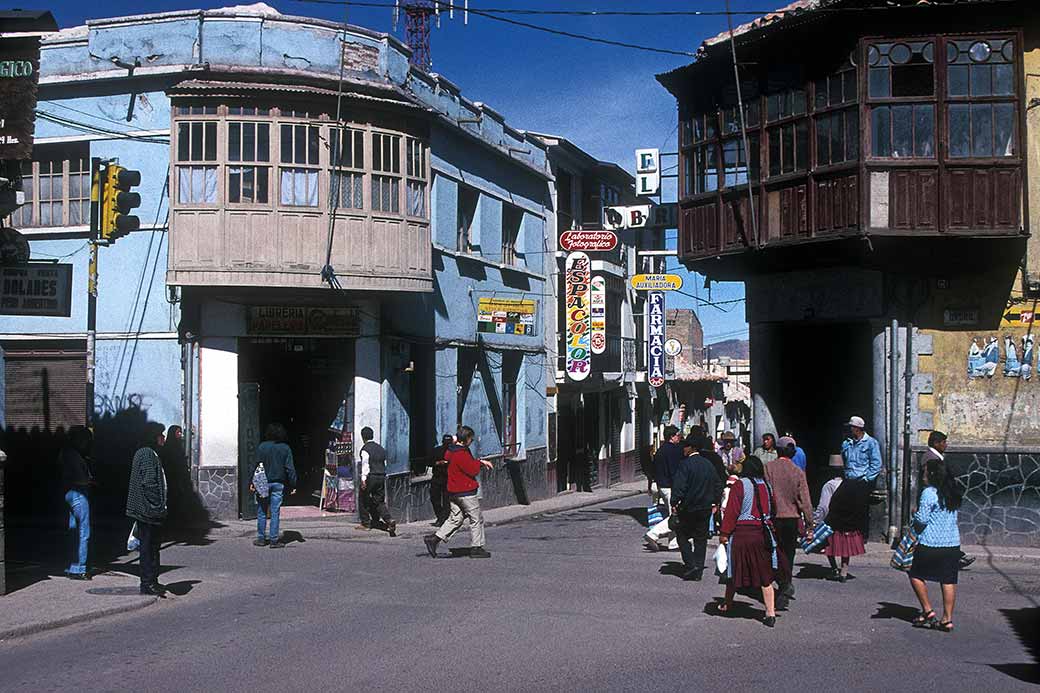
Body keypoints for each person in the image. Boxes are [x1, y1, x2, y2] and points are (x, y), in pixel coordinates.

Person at [717, 456, 787, 627]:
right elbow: (774, 509)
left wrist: (724, 533)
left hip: (742, 534)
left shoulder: (740, 485)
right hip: (762, 533)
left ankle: (727, 603)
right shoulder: (767, 486)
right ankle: (770, 612)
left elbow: (732, 511)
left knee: (734, 568)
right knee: (765, 574)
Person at [908, 458, 963, 633]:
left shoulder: (929, 493)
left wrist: (915, 514)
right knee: (948, 581)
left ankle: (928, 609)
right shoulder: (953, 491)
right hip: (952, 543)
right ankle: (947, 619)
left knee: (915, 574)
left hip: (930, 542)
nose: (922, 476)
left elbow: (922, 519)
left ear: (931, 474)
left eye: (924, 472)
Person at [424, 425, 494, 558]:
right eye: (471, 439)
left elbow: (451, 449)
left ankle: (434, 539)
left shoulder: (450, 451)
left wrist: (456, 441)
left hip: (453, 491)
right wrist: (480, 463)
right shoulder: (461, 454)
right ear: (467, 439)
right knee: (476, 518)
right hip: (465, 491)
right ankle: (476, 547)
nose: (471, 442)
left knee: (456, 518)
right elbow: (472, 470)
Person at [764, 436, 813, 608]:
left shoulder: (768, 468)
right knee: (789, 553)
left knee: (774, 553)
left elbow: (765, 494)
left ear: (777, 450)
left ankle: (782, 584)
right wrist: (809, 524)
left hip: (773, 518)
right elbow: (805, 501)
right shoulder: (798, 472)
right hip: (791, 519)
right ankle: (786, 583)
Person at [671, 433, 724, 581]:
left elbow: (679, 487)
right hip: (705, 508)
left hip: (689, 508)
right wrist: (715, 502)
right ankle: (698, 568)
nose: (683, 449)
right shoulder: (708, 465)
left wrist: (674, 502)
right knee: (701, 539)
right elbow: (718, 485)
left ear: (691, 448)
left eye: (685, 446)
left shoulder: (685, 465)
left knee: (681, 536)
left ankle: (690, 563)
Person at [919, 431, 975, 569]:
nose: (946, 445)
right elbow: (929, 479)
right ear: (935, 443)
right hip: (936, 496)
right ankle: (953, 557)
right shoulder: (930, 458)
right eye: (943, 442)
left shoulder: (936, 456)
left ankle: (955, 556)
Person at [126, 423, 168, 597]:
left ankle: (151, 581)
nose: (163, 438)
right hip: (147, 509)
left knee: (150, 546)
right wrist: (158, 506)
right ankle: (148, 582)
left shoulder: (145, 452)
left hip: (146, 508)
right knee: (149, 547)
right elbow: (149, 483)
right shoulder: (147, 454)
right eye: (160, 435)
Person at [251, 423, 298, 548]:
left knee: (261, 511)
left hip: (263, 483)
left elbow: (255, 465)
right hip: (278, 483)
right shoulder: (285, 448)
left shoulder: (262, 447)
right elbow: (290, 468)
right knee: (275, 511)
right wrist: (293, 484)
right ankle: (274, 540)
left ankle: (261, 538)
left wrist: (252, 482)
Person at [60, 426, 95, 580]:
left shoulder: (65, 453)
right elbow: (80, 478)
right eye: (85, 440)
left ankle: (72, 565)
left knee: (74, 529)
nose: (87, 443)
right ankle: (80, 567)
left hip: (69, 491)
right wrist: (90, 481)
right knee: (83, 531)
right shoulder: (74, 455)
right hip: (79, 492)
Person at [644, 426, 683, 552]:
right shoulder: (673, 451)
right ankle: (653, 534)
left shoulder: (660, 450)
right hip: (670, 486)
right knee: (676, 516)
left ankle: (673, 543)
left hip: (661, 485)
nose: (679, 437)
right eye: (678, 435)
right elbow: (674, 471)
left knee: (673, 514)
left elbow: (653, 469)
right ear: (672, 436)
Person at [358, 426, 397, 536]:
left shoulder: (365, 449)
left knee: (362, 498)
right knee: (379, 500)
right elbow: (384, 463)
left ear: (363, 437)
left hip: (371, 476)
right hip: (381, 476)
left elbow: (365, 465)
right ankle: (389, 520)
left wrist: (363, 480)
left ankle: (366, 523)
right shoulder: (381, 448)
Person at [428, 434, 454, 526]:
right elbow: (429, 462)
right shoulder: (437, 450)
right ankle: (441, 517)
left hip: (448, 478)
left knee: (447, 501)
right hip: (437, 478)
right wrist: (437, 463)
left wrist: (448, 463)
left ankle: (443, 519)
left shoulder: (454, 452)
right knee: (435, 498)